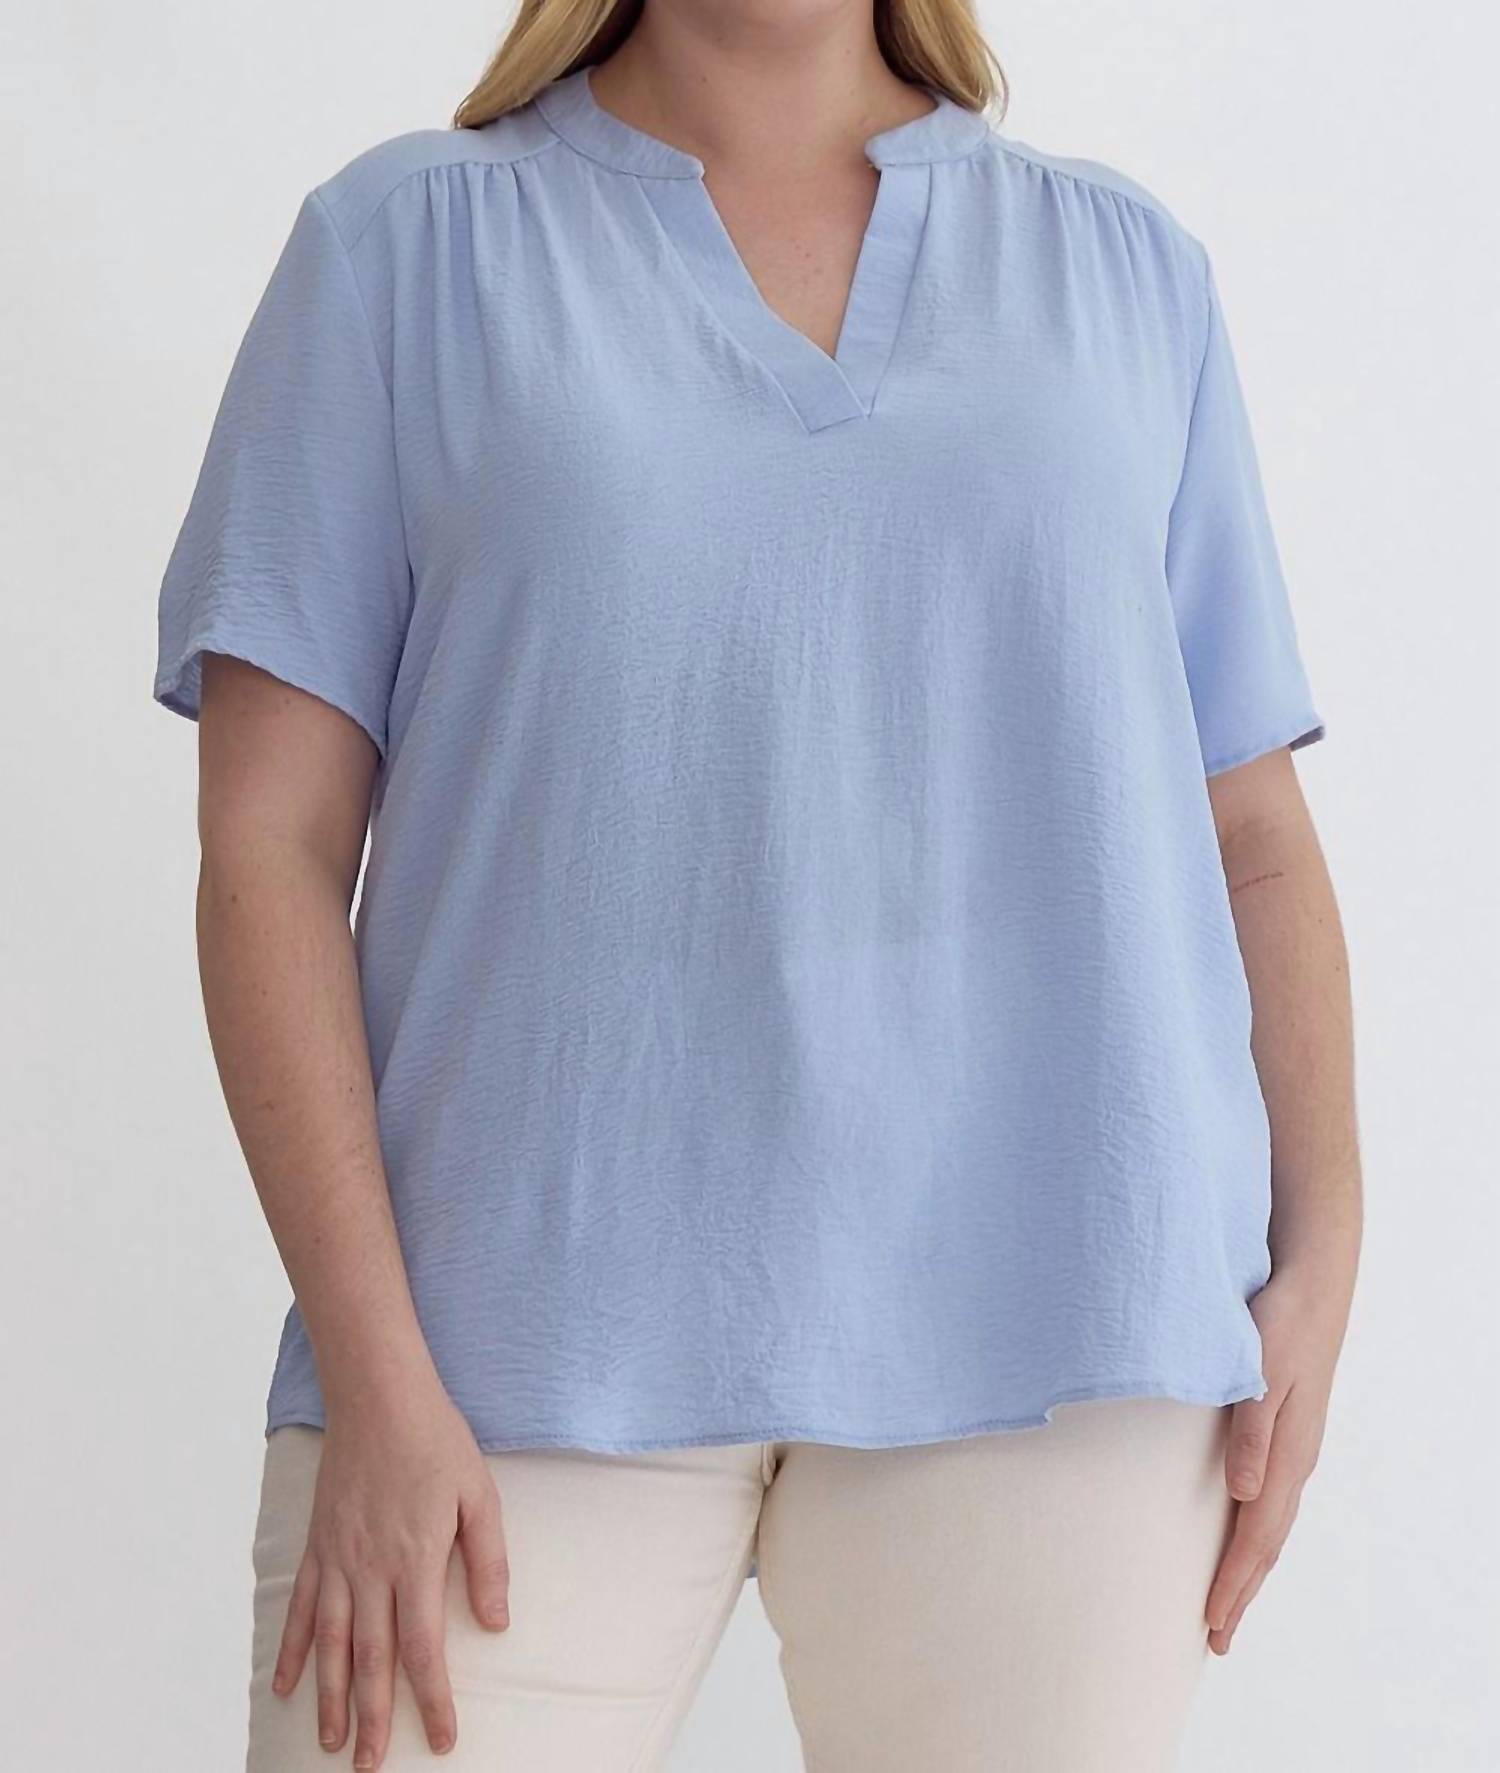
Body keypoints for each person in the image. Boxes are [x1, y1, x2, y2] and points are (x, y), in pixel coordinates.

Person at [151, 2, 1363, 1768]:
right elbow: (269, 850)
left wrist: (1326, 1254)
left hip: (1066, 1330)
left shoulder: (1124, 275)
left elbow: (1251, 828)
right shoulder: (402, 256)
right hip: (493, 1357)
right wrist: (379, 1378)